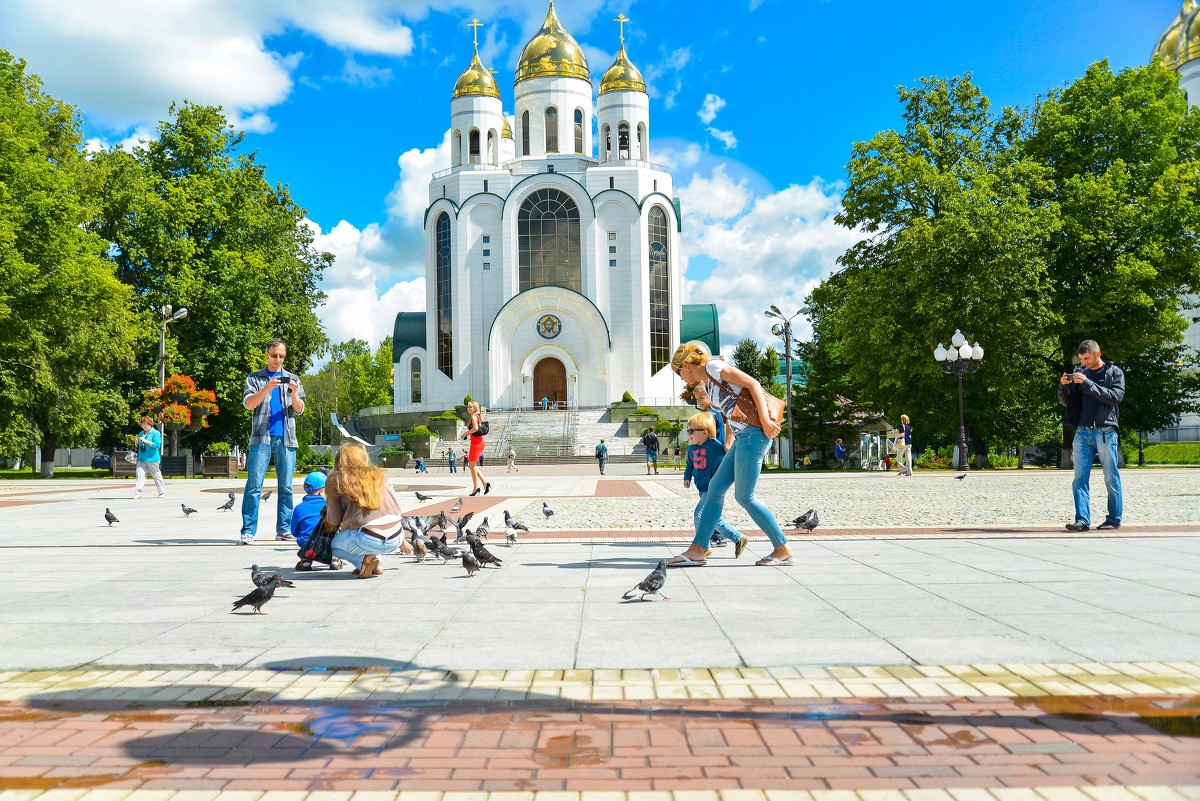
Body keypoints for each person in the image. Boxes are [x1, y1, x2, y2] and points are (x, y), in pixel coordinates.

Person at [668, 343, 794, 567]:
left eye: (679, 373)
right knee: (715, 489)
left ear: (686, 365)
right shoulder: (708, 381)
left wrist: (765, 420)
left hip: (753, 434)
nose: (682, 379)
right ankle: (698, 549)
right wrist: (730, 438)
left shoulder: (715, 367)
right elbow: (731, 412)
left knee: (745, 497)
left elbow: (752, 384)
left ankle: (782, 548)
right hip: (743, 436)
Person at [239, 338, 305, 545]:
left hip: (286, 439)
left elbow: (300, 409)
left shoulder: (293, 378)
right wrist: (267, 388)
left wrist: (294, 394)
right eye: (274, 355)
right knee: (254, 486)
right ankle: (248, 530)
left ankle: (283, 529)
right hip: (261, 438)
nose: (278, 359)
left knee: (285, 487)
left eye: (282, 356)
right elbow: (249, 405)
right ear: (267, 354)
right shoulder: (255, 378)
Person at [1058, 339, 1125, 531]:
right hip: (1082, 432)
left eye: (1086, 358)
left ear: (1098, 354)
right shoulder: (1081, 374)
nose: (1084, 363)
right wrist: (1063, 387)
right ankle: (1082, 520)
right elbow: (1067, 402)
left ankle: (1113, 519)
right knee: (1079, 478)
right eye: (1081, 359)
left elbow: (1115, 397)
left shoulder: (1113, 372)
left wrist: (1088, 384)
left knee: (1110, 477)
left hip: (1105, 430)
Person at [325, 443, 410, 578]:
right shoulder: (379, 476)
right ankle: (377, 563)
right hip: (397, 537)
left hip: (369, 538)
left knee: (334, 546)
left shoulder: (337, 479)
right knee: (366, 526)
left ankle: (364, 562)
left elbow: (334, 520)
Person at [684, 411, 748, 559]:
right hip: (701, 488)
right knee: (714, 518)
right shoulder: (691, 449)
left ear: (705, 432)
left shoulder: (715, 446)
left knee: (699, 514)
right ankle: (738, 538)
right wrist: (687, 477)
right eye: (688, 430)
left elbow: (730, 458)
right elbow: (689, 464)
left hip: (712, 489)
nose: (689, 433)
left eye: (691, 430)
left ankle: (702, 546)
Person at [291, 471, 340, 571]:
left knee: (305, 539)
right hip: (328, 544)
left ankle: (306, 561)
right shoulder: (329, 507)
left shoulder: (299, 508)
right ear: (322, 491)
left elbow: (294, 532)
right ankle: (334, 559)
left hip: (307, 544)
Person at [461, 400, 490, 496]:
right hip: (479, 442)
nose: (468, 408)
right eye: (468, 407)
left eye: (470, 407)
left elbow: (476, 428)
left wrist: (465, 433)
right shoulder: (477, 416)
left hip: (476, 443)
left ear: (475, 408)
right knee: (473, 465)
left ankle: (475, 487)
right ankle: (485, 484)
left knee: (472, 465)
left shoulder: (474, 416)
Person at [133, 415, 165, 499]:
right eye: (142, 425)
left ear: (149, 424)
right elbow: (139, 447)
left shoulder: (155, 433)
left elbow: (157, 445)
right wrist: (136, 443)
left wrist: (145, 441)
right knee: (140, 474)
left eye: (144, 425)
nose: (142, 426)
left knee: (156, 474)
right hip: (142, 458)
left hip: (152, 458)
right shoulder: (141, 433)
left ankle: (162, 492)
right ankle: (138, 493)